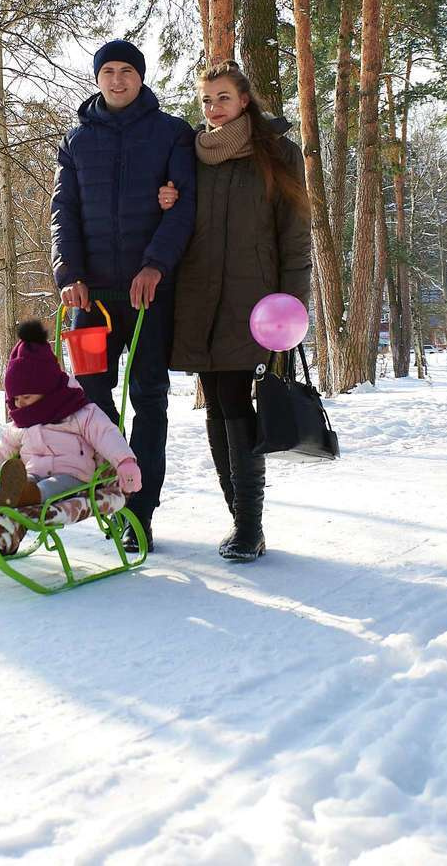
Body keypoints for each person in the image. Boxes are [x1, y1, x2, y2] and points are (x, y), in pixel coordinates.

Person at [159, 60, 311, 562]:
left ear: (244, 99)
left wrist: (292, 306)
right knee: (218, 404)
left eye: (223, 97)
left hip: (257, 303)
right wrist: (166, 200)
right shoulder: (191, 155)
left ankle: (249, 526)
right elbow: (179, 219)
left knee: (238, 404)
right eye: (206, 100)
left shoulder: (277, 153)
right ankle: (241, 522)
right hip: (200, 297)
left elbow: (294, 233)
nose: (213, 108)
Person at [51, 38, 196, 551]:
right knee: (90, 400)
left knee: (151, 398)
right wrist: (68, 273)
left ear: (141, 77)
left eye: (127, 71)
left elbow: (183, 208)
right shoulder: (75, 141)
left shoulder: (172, 133)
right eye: (108, 71)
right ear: (97, 78)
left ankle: (141, 512)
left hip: (148, 294)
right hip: (89, 299)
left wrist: (156, 265)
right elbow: (62, 212)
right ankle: (114, 484)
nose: (117, 79)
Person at [0, 320, 143, 525]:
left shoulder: (80, 413)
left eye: (26, 397)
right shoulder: (20, 426)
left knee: (48, 487)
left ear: (47, 389)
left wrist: (125, 462)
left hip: (74, 479)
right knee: (16, 485)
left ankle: (17, 496)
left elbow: (107, 435)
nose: (20, 404)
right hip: (30, 477)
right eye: (15, 398)